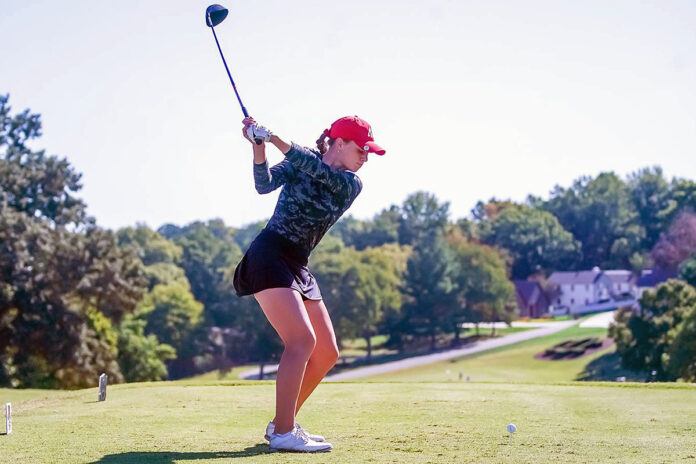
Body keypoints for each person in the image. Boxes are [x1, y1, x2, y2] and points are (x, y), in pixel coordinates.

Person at [232, 115, 386, 452]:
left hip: (298, 262)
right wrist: (260, 148)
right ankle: (285, 431)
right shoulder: (304, 161)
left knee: (327, 352)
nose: (366, 157)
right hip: (270, 253)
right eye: (362, 149)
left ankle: (280, 425)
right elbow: (264, 184)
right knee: (302, 340)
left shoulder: (350, 183)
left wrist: (273, 138)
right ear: (339, 143)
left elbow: (313, 167)